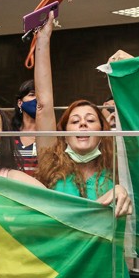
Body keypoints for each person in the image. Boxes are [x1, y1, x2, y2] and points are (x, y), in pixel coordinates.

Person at [34, 12, 132, 216]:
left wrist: (131, 73)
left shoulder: (117, 167)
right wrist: (43, 39)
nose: (83, 125)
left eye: (90, 120)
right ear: (64, 132)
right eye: (75, 121)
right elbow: (43, 105)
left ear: (102, 130)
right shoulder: (51, 162)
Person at [10, 79, 39, 176]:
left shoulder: (48, 134)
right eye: (32, 95)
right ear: (20, 103)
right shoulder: (9, 133)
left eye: (40, 96)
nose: (36, 99)